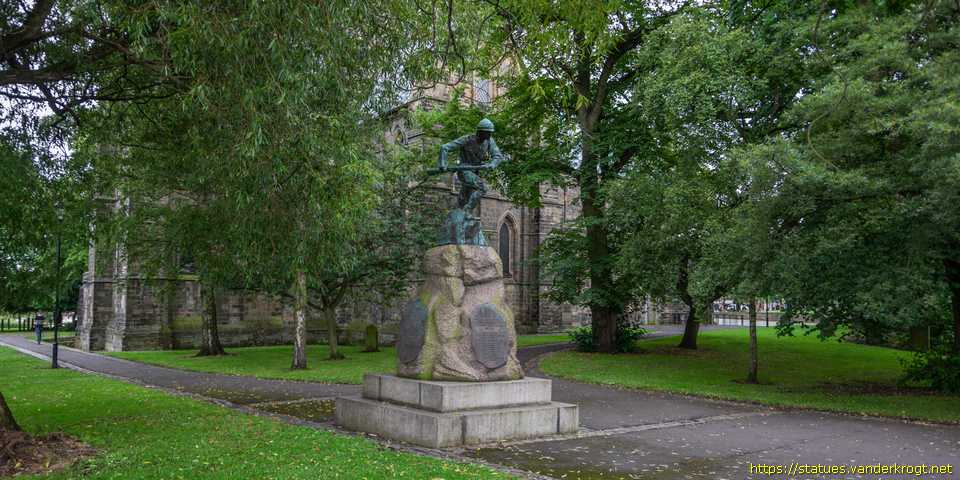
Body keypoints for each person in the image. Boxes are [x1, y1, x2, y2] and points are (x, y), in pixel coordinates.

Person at [437, 118, 508, 217]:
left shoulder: (489, 141)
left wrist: (493, 164)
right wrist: (442, 163)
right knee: (482, 188)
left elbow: (497, 156)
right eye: (488, 133)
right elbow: (445, 148)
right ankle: (467, 210)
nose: (490, 135)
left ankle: (458, 217)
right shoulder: (467, 139)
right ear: (481, 132)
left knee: (464, 198)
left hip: (474, 172)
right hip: (464, 170)